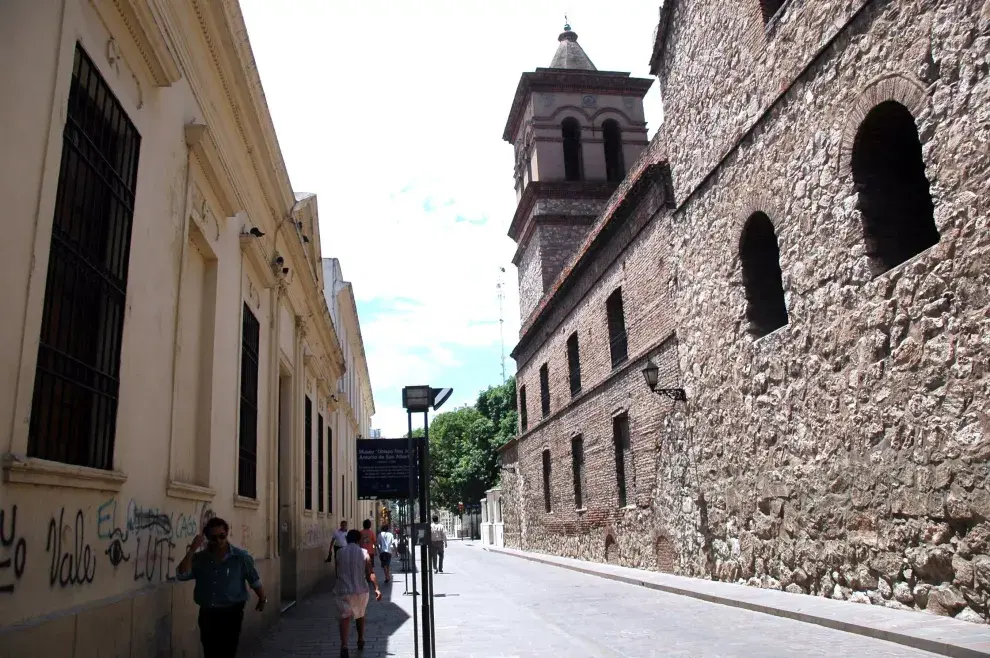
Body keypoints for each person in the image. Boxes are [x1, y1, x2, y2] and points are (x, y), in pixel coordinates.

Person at [175, 517, 266, 658]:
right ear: (207, 537)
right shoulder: (200, 558)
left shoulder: (240, 557)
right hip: (208, 613)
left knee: (227, 650)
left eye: (222, 536)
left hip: (232, 612)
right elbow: (182, 575)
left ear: (226, 533)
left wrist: (262, 599)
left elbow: (254, 580)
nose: (218, 541)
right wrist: (192, 550)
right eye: (213, 537)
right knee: (210, 651)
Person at [334, 529, 382, 656]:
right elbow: (370, 572)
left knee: (344, 617)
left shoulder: (339, 553)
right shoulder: (364, 553)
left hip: (343, 590)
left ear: (347, 539)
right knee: (360, 615)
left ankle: (344, 645)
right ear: (358, 540)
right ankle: (360, 639)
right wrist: (376, 588)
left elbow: (337, 572)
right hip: (360, 590)